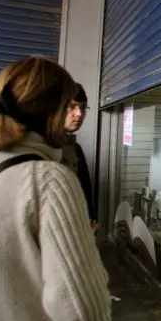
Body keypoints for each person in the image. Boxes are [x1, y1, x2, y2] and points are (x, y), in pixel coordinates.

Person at [0, 57, 110, 321]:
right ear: (52, 110)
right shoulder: (47, 180)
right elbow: (81, 309)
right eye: (68, 105)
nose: (76, 114)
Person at [62, 83, 96, 222]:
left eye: (83, 108)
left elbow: (85, 191)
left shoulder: (76, 149)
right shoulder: (44, 149)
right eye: (72, 107)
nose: (79, 114)